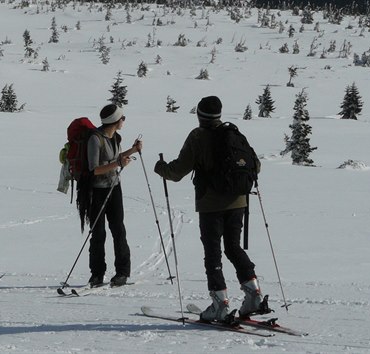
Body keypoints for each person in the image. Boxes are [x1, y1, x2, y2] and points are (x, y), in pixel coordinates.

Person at [154, 96, 268, 323]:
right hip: (239, 201)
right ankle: (254, 294)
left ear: (199, 114)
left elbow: (177, 172)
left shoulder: (198, 137)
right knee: (233, 247)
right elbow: (256, 165)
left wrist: (161, 168)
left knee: (213, 252)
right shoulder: (234, 133)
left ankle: (220, 304)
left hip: (211, 204)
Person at [86, 104, 142, 287]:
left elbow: (114, 159)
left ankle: (122, 272)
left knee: (119, 230)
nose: (124, 120)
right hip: (97, 190)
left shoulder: (115, 137)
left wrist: (132, 151)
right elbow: (94, 169)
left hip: (114, 188)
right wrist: (118, 163)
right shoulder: (95, 139)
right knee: (98, 233)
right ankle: (97, 274)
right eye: (122, 118)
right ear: (114, 121)